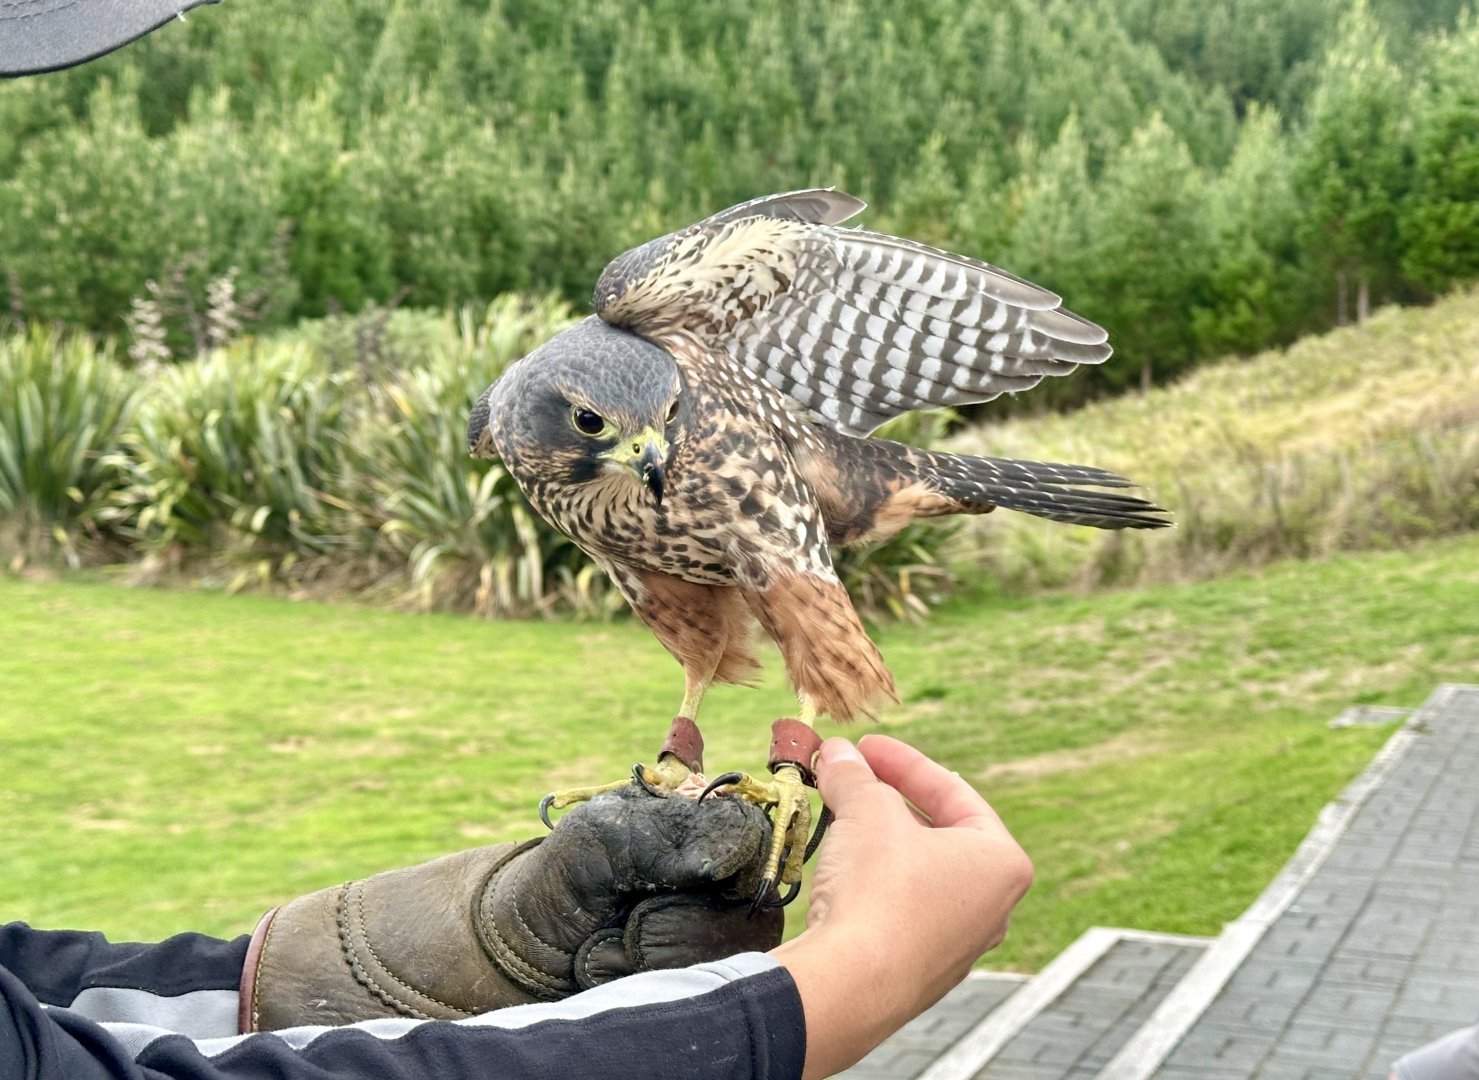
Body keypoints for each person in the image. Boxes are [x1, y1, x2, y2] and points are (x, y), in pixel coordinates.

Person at [1, 5, 1033, 1078]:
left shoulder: (664, 382)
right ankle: (709, 756)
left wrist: (498, 935)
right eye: (605, 431)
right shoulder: (516, 426)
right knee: (680, 618)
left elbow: (56, 1021)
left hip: (816, 495)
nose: (647, 453)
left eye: (658, 428)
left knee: (776, 596)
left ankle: (776, 757)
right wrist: (837, 987)